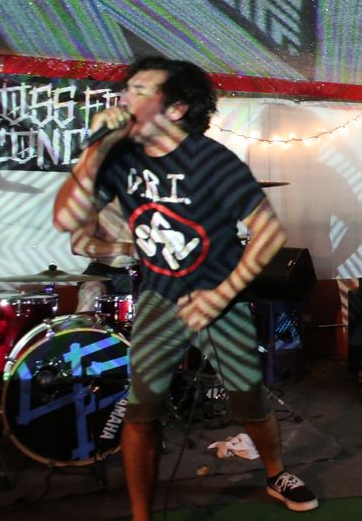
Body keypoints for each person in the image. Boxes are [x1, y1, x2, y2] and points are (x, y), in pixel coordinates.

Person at [53, 57, 318, 520]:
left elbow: (269, 233)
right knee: (141, 412)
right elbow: (66, 219)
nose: (124, 98)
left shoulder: (212, 160)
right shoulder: (120, 159)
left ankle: (275, 472)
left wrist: (220, 295)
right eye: (127, 89)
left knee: (249, 399)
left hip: (219, 297)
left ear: (176, 109)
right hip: (159, 298)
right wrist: (96, 147)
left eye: (141, 91)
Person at [71, 198, 136, 314]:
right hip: (102, 270)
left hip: (141, 272)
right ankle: (80, 326)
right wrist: (126, 248)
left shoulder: (151, 202)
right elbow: (78, 246)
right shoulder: (94, 203)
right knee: (91, 290)